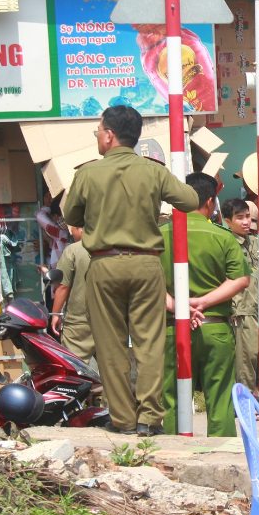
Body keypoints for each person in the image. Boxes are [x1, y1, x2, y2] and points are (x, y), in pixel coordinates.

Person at [64, 105, 199, 435]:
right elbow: (191, 200)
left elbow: (71, 215)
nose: (97, 136)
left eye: (98, 131)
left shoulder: (87, 173)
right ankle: (149, 418)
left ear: (109, 136)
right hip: (146, 263)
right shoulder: (152, 171)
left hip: (104, 264)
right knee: (149, 343)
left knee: (109, 345)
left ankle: (122, 420)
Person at [160, 173, 251, 437]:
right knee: (220, 399)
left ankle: (173, 461)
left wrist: (178, 306)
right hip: (215, 329)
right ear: (210, 202)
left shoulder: (159, 235)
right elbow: (241, 279)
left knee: (172, 400)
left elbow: (147, 282)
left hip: (172, 330)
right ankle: (222, 461)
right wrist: (204, 301)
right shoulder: (222, 237)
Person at [222, 198, 259, 394]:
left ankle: (245, 397)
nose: (246, 222)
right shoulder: (226, 242)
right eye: (240, 218)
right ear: (228, 221)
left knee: (251, 356)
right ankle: (243, 401)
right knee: (245, 357)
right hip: (239, 309)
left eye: (247, 217)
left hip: (256, 308)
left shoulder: (254, 241)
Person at [51, 225, 95, 366]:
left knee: (75, 369)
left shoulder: (73, 250)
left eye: (73, 229)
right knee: (114, 372)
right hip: (109, 321)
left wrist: (56, 314)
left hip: (78, 323)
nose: (71, 232)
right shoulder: (112, 248)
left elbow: (63, 286)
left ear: (81, 228)